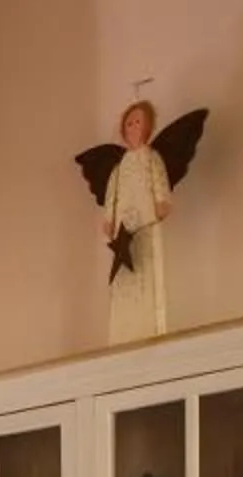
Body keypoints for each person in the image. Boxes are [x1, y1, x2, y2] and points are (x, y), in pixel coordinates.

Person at [75, 97, 208, 344]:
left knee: (147, 271)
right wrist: (109, 219)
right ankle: (123, 329)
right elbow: (112, 193)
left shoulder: (152, 158)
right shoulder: (119, 168)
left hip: (145, 224)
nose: (133, 127)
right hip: (123, 232)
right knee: (124, 281)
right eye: (129, 123)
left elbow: (159, 180)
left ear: (147, 126)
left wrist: (161, 202)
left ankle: (147, 325)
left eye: (138, 122)